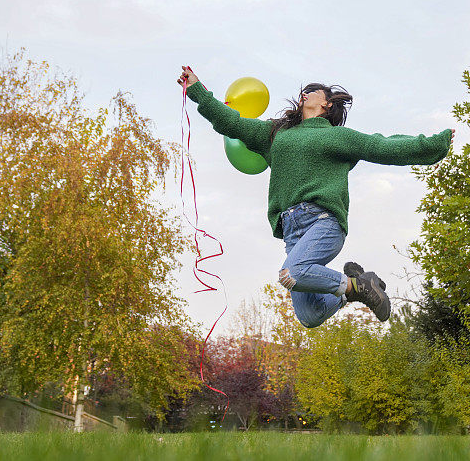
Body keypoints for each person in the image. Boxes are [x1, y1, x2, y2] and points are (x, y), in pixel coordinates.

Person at [176, 66, 455, 328]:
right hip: (291, 233)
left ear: (327, 104)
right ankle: (355, 288)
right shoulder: (276, 133)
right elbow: (231, 123)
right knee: (309, 316)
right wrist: (198, 90)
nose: (305, 93)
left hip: (324, 222)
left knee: (292, 273)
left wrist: (434, 143)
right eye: (304, 91)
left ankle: (355, 285)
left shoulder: (338, 137)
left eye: (313, 90)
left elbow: (383, 145)